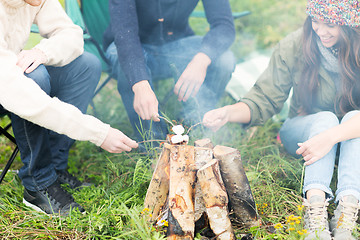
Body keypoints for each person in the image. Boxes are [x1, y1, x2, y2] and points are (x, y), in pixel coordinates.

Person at [202, 0, 360, 239]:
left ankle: (346, 218)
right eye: (314, 21)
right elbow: (265, 97)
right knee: (326, 118)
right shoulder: (296, 44)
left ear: (349, 24)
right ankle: (315, 215)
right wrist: (229, 112)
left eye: (329, 24)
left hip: (348, 136)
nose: (320, 31)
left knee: (354, 119)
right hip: (302, 130)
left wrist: (331, 137)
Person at [0, 0, 138, 215]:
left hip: (11, 78)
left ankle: (54, 165)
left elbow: (71, 33)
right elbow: (20, 93)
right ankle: (39, 183)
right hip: (8, 86)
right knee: (33, 76)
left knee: (87, 65)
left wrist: (42, 52)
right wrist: (99, 133)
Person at [103, 0, 236, 144]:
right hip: (133, 46)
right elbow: (125, 34)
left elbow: (225, 26)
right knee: (122, 58)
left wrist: (201, 59)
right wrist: (139, 82)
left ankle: (195, 126)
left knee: (225, 59)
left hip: (178, 45)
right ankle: (155, 146)